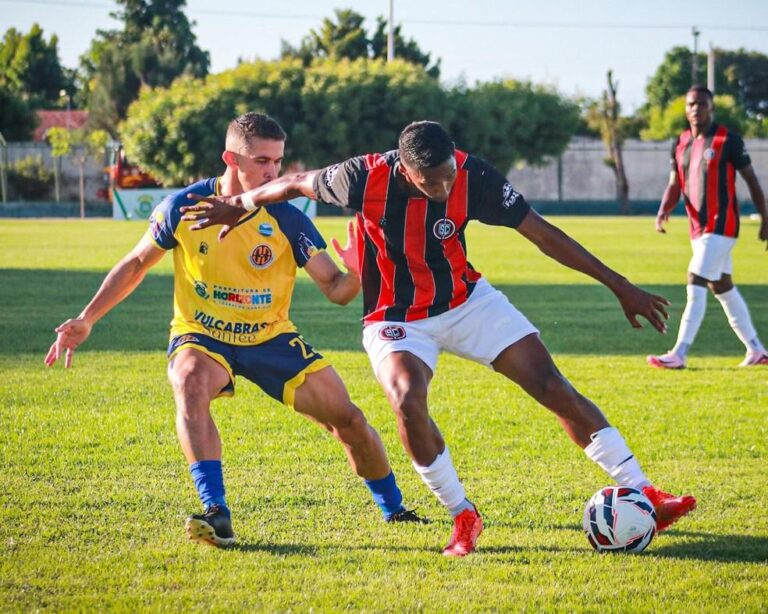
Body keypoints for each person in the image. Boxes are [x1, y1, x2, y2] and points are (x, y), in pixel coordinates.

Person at [181, 120, 697, 557]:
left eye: (449, 175)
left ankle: (645, 492)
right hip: (394, 317)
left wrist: (619, 285)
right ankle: (462, 514)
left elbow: (543, 234)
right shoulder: (362, 176)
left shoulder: (474, 176)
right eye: (432, 181)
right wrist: (240, 203)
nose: (445, 187)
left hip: (467, 301)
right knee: (408, 400)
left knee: (550, 384)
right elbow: (293, 183)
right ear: (406, 170)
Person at [44, 112, 424, 549]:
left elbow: (336, 290)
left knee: (348, 420)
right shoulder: (183, 207)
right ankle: (216, 511)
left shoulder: (286, 216)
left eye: (277, 162)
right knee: (189, 379)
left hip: (270, 338)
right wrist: (88, 318)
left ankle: (395, 509)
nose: (272, 172)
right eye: (262, 161)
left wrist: (357, 271)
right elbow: (135, 264)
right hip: (202, 334)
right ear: (231, 158)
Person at [648, 85, 768, 369]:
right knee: (722, 286)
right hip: (698, 229)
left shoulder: (727, 140)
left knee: (695, 278)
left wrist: (766, 218)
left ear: (711, 107)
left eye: (702, 104)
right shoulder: (681, 142)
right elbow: (675, 183)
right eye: (691, 104)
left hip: (722, 226)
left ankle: (679, 353)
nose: (696, 109)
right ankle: (757, 351)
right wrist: (663, 209)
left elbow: (751, 180)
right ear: (686, 108)